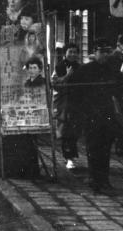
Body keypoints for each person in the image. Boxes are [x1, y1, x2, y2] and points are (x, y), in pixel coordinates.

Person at [66, 37, 123, 193]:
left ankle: (104, 180)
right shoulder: (85, 70)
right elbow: (71, 90)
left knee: (105, 149)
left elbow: (121, 89)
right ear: (94, 52)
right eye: (101, 52)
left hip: (107, 114)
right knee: (93, 148)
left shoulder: (113, 70)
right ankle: (94, 179)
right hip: (90, 115)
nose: (105, 55)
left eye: (107, 52)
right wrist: (79, 111)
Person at [52, 42, 82, 170]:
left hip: (76, 102)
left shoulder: (80, 67)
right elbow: (54, 84)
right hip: (63, 102)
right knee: (65, 131)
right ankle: (69, 157)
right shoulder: (59, 67)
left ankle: (71, 157)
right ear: (65, 53)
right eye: (70, 51)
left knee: (74, 130)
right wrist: (67, 76)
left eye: (75, 52)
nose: (72, 54)